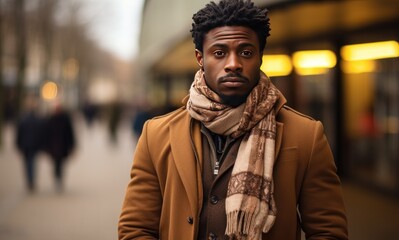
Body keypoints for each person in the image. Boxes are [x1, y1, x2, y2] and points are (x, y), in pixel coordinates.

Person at [118, 0, 348, 239]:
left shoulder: (306, 135)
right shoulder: (156, 135)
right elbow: (136, 228)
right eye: (219, 53)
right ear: (200, 58)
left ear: (260, 57)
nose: (233, 64)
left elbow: (328, 231)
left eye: (246, 52)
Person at [43, 102, 75, 191]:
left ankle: (59, 178)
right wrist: (46, 146)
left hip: (63, 147)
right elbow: (46, 134)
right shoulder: (50, 119)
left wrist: (72, 146)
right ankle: (57, 178)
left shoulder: (65, 119)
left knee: (61, 164)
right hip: (53, 147)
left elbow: (70, 134)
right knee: (55, 164)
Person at [16, 97, 44, 192]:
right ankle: (31, 180)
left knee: (28, 163)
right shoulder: (37, 119)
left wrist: (18, 145)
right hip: (32, 145)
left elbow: (19, 133)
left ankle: (30, 180)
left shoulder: (23, 119)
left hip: (26, 145)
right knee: (32, 163)